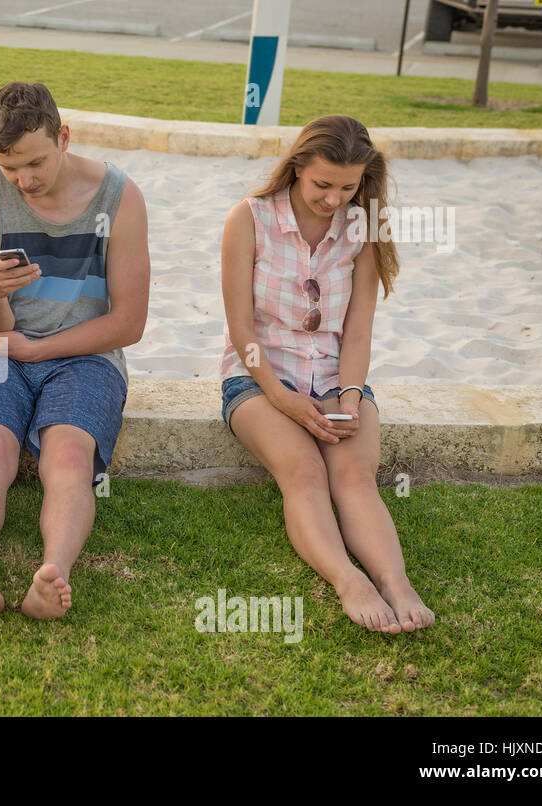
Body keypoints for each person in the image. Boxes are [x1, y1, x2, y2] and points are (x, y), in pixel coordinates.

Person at [0, 82, 150, 620]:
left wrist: (38, 351)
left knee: (69, 457)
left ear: (64, 136)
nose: (24, 181)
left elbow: (129, 323)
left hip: (86, 353)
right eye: (10, 168)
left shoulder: (120, 197)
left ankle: (52, 572)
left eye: (35, 163)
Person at [219, 114, 434, 633]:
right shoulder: (248, 218)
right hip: (258, 378)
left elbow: (357, 333)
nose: (334, 198)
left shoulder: (364, 225)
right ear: (296, 167)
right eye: (322, 184)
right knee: (305, 472)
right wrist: (281, 397)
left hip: (340, 377)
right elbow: (241, 331)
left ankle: (396, 583)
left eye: (348, 186)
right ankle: (348, 581)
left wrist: (353, 396)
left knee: (356, 476)